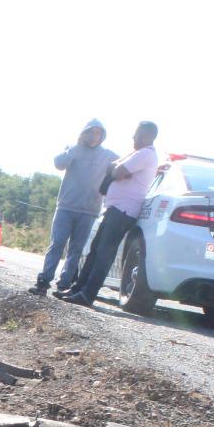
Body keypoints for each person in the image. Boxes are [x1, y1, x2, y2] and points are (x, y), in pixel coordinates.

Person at [60, 121, 159, 306]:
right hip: (116, 209)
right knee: (95, 250)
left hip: (123, 211)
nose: (133, 137)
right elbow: (115, 168)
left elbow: (118, 171)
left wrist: (114, 168)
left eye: (137, 134)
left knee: (104, 254)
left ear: (146, 136)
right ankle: (77, 289)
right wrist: (114, 168)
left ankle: (87, 294)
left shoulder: (146, 154)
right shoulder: (139, 153)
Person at [31, 119, 117, 295]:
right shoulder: (72, 148)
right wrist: (76, 147)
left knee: (76, 249)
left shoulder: (108, 155)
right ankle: (44, 281)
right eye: (90, 132)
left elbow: (126, 163)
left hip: (89, 210)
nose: (94, 136)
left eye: (98, 133)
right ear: (83, 133)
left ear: (102, 136)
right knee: (57, 243)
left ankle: (64, 284)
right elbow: (58, 163)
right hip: (66, 206)